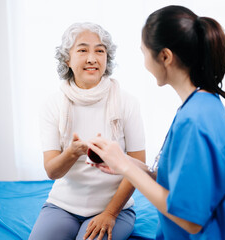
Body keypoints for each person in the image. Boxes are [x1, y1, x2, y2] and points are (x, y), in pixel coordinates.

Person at [88, 5, 225, 240]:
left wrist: (125, 168)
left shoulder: (195, 121)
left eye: (144, 52)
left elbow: (190, 220)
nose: (144, 63)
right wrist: (126, 163)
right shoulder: (202, 105)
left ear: (165, 56)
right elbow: (186, 178)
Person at [29, 22, 145, 240]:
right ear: (67, 59)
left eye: (100, 51)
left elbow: (137, 166)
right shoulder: (52, 104)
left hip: (114, 209)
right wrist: (72, 153)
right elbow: (52, 172)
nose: (92, 58)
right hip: (62, 206)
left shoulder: (127, 102)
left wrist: (110, 213)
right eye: (83, 50)